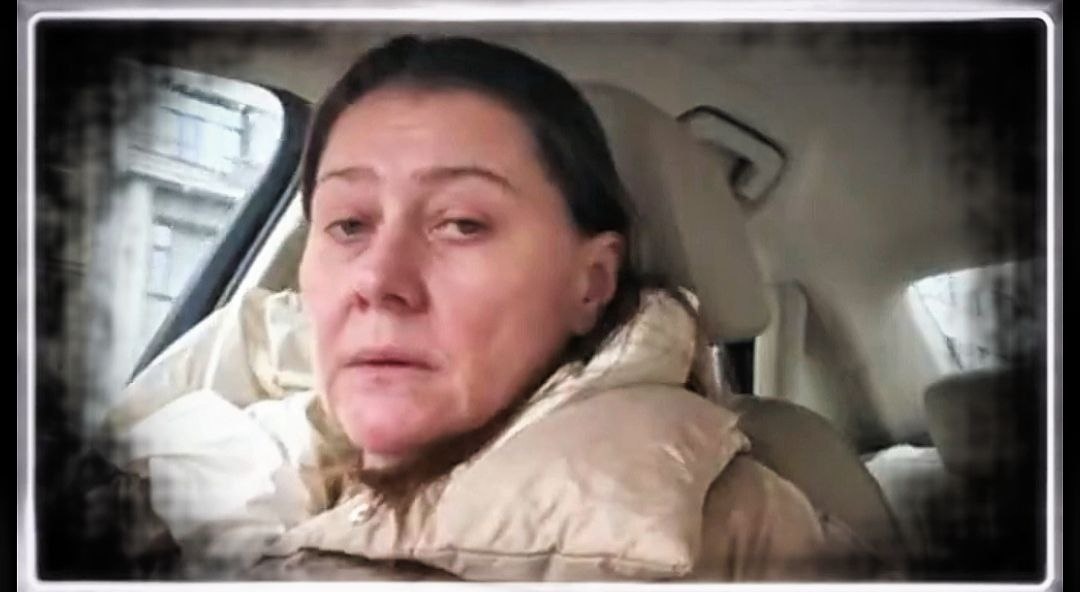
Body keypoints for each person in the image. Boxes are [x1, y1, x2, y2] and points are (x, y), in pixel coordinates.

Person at [96, 34, 893, 581]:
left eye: (462, 223)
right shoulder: (238, 440)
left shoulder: (740, 540)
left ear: (590, 282)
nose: (378, 280)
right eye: (347, 224)